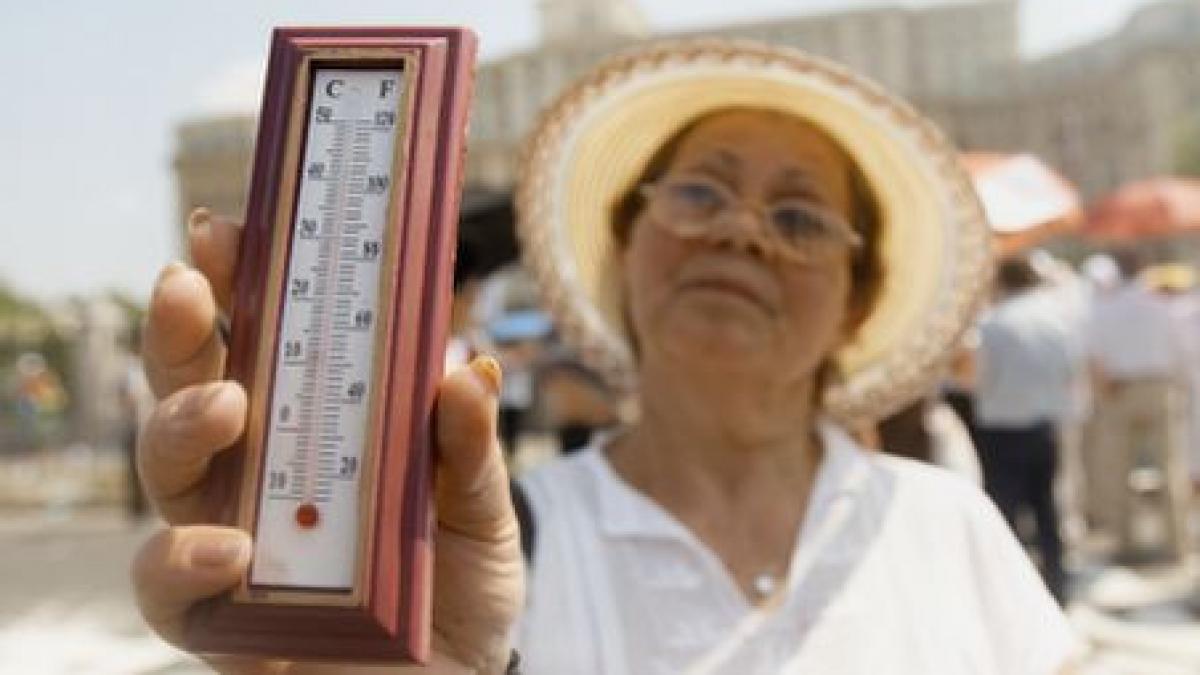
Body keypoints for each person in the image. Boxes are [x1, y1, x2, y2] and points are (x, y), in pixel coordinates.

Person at [131, 41, 1079, 673]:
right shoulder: (484, 551)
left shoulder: (950, 525)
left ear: (858, 294)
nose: (743, 234)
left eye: (797, 216)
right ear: (627, 247)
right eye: (700, 196)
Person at [973, 256, 1081, 602]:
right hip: (1043, 428)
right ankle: (1057, 585)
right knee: (1047, 510)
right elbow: (1070, 372)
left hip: (1002, 432)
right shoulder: (1055, 321)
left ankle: (1013, 593)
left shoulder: (994, 325)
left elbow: (981, 378)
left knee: (1006, 517)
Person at [1087, 249, 1192, 563]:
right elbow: (1180, 353)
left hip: (1121, 390)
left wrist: (1104, 392)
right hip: (1158, 388)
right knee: (1170, 466)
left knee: (1117, 468)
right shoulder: (1163, 307)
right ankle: (1177, 544)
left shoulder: (1105, 309)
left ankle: (1124, 543)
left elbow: (1095, 357)